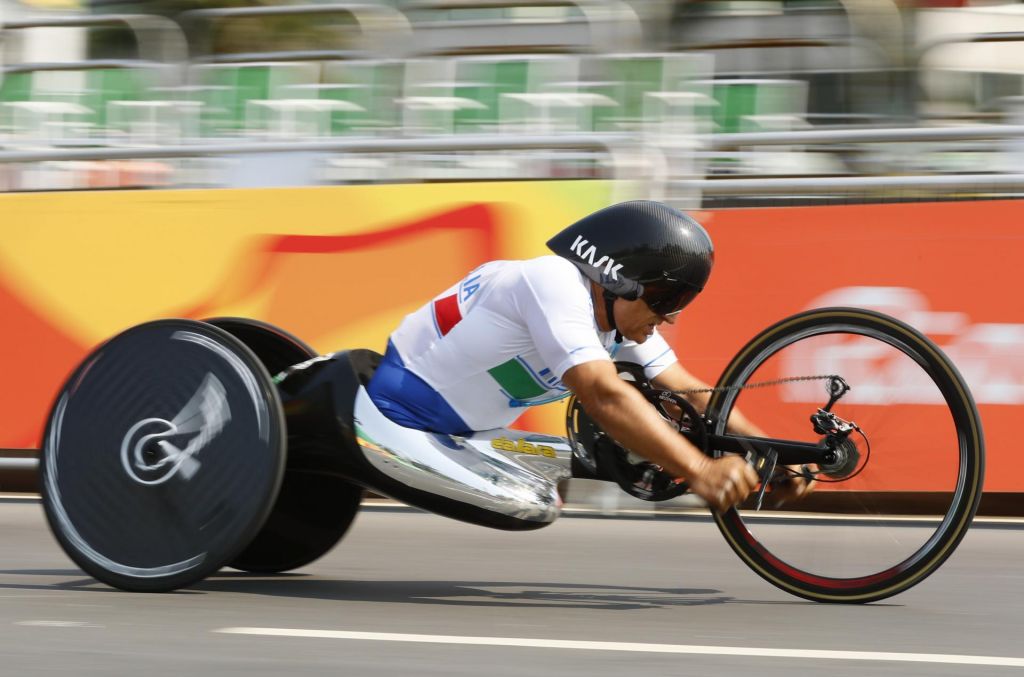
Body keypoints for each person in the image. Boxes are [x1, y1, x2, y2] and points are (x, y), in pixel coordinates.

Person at [366, 200, 812, 511]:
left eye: (679, 302)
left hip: (468, 435)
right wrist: (698, 469)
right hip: (399, 414)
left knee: (547, 499)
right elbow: (602, 393)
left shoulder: (617, 322)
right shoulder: (552, 280)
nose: (670, 316)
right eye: (664, 298)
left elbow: (694, 395)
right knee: (530, 506)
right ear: (618, 278)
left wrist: (773, 451)